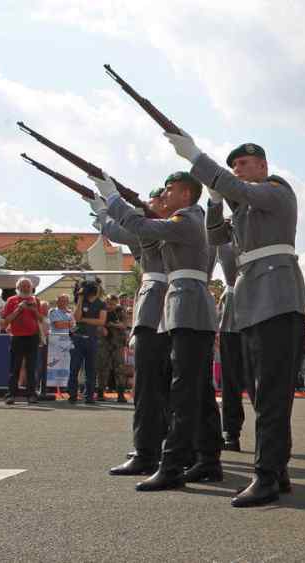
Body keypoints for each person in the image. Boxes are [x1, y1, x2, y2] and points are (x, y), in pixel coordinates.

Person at [168, 131, 305, 506]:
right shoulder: (244, 207)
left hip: (278, 298)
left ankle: (266, 475)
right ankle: (277, 471)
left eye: (244, 164)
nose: (238, 170)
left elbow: (241, 190)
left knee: (274, 393)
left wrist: (197, 156)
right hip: (252, 303)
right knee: (261, 393)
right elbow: (216, 237)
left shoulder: (277, 190)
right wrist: (214, 201)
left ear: (263, 166)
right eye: (233, 166)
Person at [98, 170, 224, 492]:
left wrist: (111, 199)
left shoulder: (188, 219)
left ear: (185, 194)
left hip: (188, 306)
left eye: (169, 190)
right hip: (181, 306)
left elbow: (138, 228)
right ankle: (205, 459)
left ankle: (174, 463)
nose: (164, 196)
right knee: (193, 389)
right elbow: (141, 233)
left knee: (185, 390)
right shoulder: (187, 219)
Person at [93, 187, 175, 478]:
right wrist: (101, 209)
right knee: (157, 384)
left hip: (163, 304)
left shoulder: (172, 225)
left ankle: (151, 449)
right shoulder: (161, 227)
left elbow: (123, 231)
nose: (151, 205)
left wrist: (105, 206)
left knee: (153, 384)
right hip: (161, 303)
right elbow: (122, 231)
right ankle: (159, 443)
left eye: (156, 200)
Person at [206, 196, 248, 453]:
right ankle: (231, 430)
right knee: (231, 380)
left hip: (260, 306)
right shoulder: (225, 238)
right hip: (233, 313)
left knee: (262, 380)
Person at [0, 278, 43, 404]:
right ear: (18, 288)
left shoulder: (36, 300)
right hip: (17, 337)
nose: (25, 288)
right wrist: (18, 309)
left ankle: (31, 394)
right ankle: (11, 395)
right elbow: (5, 321)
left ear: (31, 288)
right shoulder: (11, 300)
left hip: (32, 337)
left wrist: (34, 310)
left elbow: (41, 319)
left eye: (28, 286)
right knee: (15, 367)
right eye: (23, 286)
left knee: (31, 367)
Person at [68, 280, 107, 404]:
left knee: (91, 369)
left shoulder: (101, 304)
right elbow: (76, 317)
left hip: (92, 339)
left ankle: (89, 396)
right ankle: (72, 395)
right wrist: (79, 299)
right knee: (74, 368)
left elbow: (101, 321)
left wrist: (84, 319)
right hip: (78, 338)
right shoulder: (80, 301)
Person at [95, 294, 128, 403]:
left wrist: (112, 324)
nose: (111, 306)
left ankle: (121, 394)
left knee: (120, 368)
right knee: (102, 367)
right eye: (109, 303)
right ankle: (100, 392)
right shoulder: (101, 310)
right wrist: (102, 327)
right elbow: (97, 324)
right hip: (104, 343)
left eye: (113, 304)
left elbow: (124, 325)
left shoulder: (120, 311)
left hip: (117, 343)